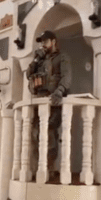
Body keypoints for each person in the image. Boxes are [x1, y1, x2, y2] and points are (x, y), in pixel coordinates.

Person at [26, 30, 71, 178]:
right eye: (41, 42)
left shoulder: (62, 57)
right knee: (36, 135)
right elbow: (28, 75)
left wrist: (60, 90)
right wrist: (35, 60)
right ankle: (40, 168)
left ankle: (50, 169)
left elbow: (66, 76)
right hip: (39, 103)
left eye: (45, 42)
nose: (43, 45)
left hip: (54, 102)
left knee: (50, 134)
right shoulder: (40, 60)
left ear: (53, 42)